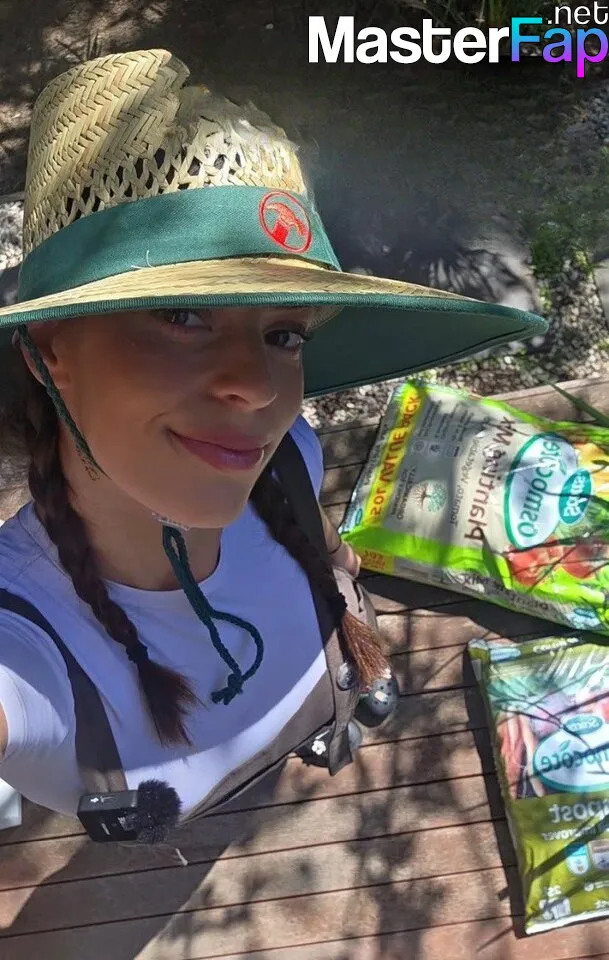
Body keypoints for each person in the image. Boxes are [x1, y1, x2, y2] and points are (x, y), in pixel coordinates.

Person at [0, 48, 546, 833]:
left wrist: (341, 571)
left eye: (284, 335)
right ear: (49, 348)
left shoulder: (288, 456)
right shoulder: (21, 637)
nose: (258, 390)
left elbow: (328, 549)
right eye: (183, 316)